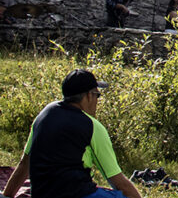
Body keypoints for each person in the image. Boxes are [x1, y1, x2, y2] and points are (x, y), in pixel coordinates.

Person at [2, 69, 143, 198]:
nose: (97, 101)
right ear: (89, 96)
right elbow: (118, 182)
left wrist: (7, 195)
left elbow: (25, 163)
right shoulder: (92, 126)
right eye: (97, 95)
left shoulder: (45, 114)